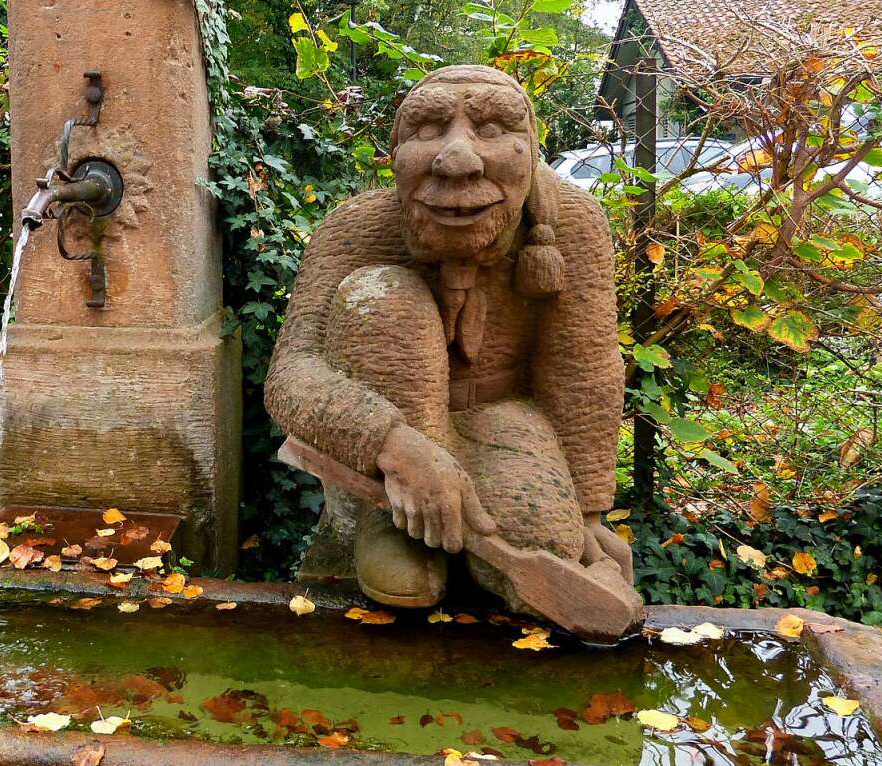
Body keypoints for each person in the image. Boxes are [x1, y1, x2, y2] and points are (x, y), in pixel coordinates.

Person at [265, 65, 631, 610]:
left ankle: (506, 542)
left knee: (547, 544)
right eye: (429, 129)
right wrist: (394, 446)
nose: (457, 160)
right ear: (396, 156)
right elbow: (291, 373)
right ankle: (393, 520)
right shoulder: (358, 228)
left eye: (490, 130)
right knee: (383, 297)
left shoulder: (572, 224)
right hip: (396, 436)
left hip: (501, 417)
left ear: (529, 154)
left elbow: (582, 370)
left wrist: (589, 513)